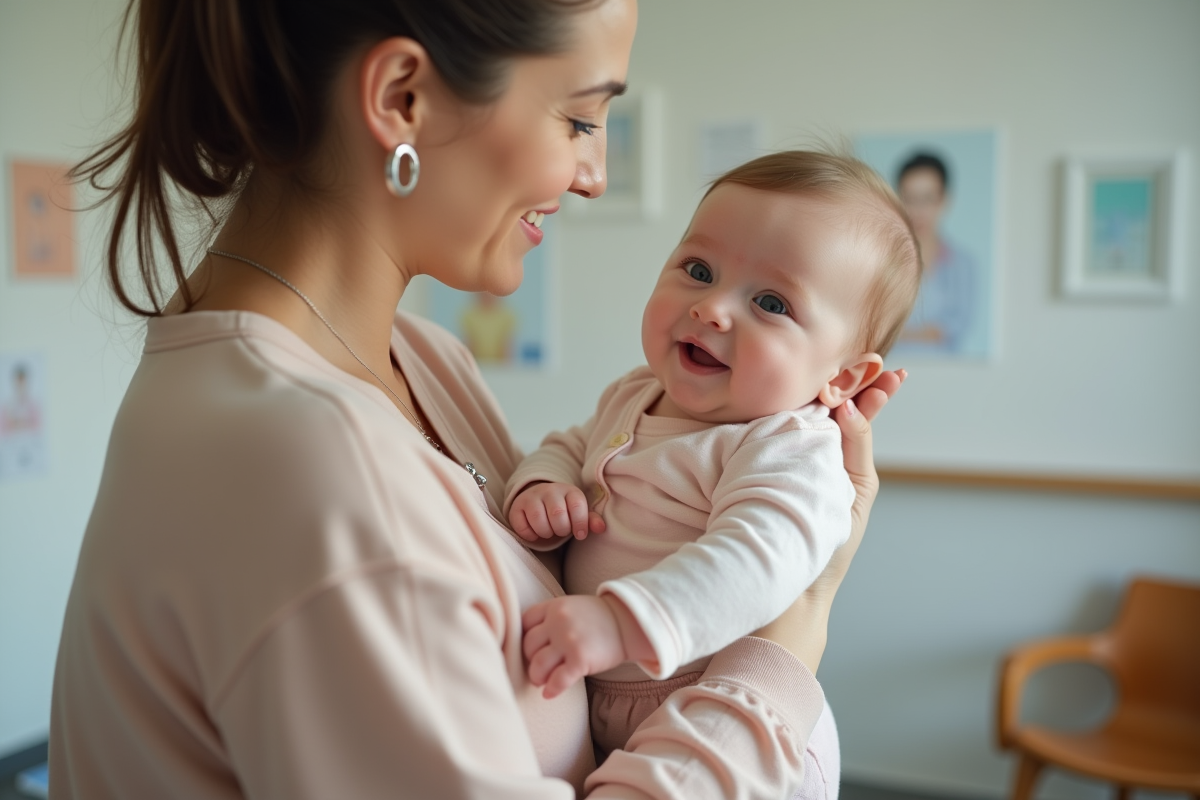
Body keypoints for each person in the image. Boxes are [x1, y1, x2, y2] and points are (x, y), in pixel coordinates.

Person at [49, 1, 904, 798]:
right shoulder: (318, 469)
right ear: (402, 98)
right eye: (578, 117)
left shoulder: (418, 359)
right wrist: (789, 646)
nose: (595, 174)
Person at [504, 152, 920, 769]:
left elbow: (759, 558)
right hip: (612, 697)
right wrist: (546, 481)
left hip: (732, 716)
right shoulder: (637, 390)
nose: (712, 308)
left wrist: (623, 623)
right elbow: (571, 442)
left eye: (772, 304)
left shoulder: (789, 447)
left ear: (843, 377)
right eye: (698, 269)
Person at [894, 152, 979, 354]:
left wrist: (903, 334)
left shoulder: (963, 263)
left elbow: (956, 327)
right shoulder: (881, 261)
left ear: (943, 200)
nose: (918, 210)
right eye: (910, 199)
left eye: (927, 199)